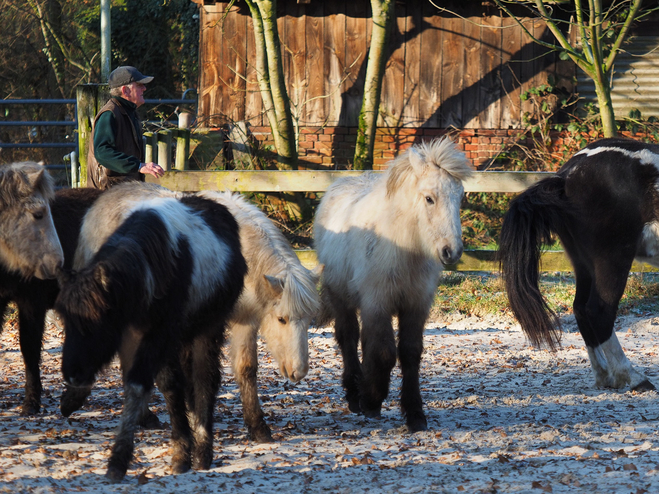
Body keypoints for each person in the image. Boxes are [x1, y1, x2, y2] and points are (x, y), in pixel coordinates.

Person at [87, 66, 165, 189]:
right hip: (107, 193)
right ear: (125, 90)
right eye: (139, 85)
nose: (144, 88)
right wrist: (139, 166)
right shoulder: (110, 114)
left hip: (122, 190)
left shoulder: (129, 112)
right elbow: (102, 152)